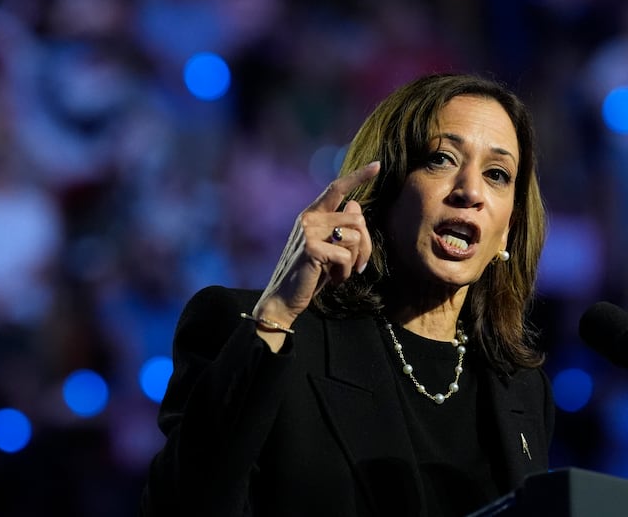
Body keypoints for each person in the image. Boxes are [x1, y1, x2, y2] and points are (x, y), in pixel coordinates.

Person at [139, 73, 554, 517]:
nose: (470, 191)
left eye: (497, 174)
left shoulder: (522, 392)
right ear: (383, 190)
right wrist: (277, 312)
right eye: (440, 159)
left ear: (507, 226)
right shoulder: (258, 335)